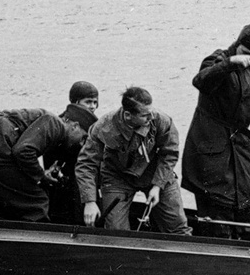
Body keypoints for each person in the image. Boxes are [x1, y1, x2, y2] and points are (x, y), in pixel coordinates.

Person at [182, 23, 250, 238]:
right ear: (237, 44)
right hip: (210, 150)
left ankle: (245, 249)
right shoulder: (217, 60)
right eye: (246, 53)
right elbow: (201, 81)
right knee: (216, 206)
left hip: (239, 149)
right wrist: (230, 63)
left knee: (244, 201)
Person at [76, 86, 191, 234]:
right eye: (145, 116)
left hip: (154, 172)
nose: (150, 118)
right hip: (118, 177)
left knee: (178, 227)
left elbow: (169, 153)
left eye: (150, 112)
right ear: (128, 115)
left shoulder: (161, 120)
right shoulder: (103, 127)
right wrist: (89, 201)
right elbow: (86, 164)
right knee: (116, 232)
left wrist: (158, 186)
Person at [0, 108, 86, 223]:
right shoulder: (56, 123)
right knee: (37, 201)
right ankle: (35, 246)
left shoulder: (47, 123)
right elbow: (23, 151)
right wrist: (40, 176)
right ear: (75, 125)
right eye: (83, 138)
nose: (82, 145)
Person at [47, 81, 99, 225]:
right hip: (65, 177)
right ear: (76, 102)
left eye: (95, 102)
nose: (93, 106)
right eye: (88, 102)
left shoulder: (92, 125)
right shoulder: (61, 124)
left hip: (82, 176)